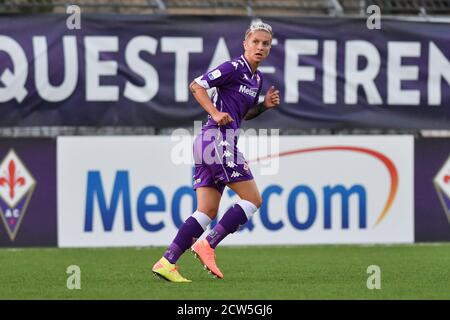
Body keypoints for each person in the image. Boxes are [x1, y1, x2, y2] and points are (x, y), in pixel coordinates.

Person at [152, 19, 280, 282]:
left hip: (209, 142)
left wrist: (264, 105)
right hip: (216, 139)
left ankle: (167, 262)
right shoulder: (234, 67)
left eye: (265, 44)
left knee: (207, 211)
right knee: (254, 200)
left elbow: (244, 113)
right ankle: (207, 244)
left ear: (269, 49)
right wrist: (214, 111)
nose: (260, 47)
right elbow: (196, 85)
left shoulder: (256, 78)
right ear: (245, 43)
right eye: (255, 42)